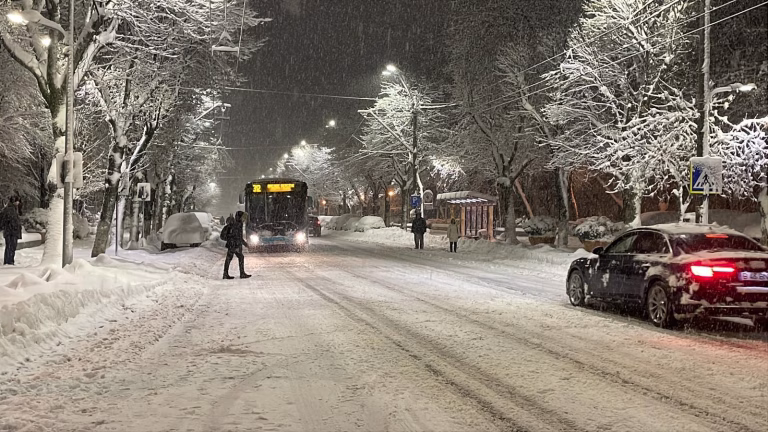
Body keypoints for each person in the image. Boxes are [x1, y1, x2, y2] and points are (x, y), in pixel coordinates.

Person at [221, 211, 251, 280]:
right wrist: (239, 245)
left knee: (229, 258)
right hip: (234, 245)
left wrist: (244, 244)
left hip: (232, 244)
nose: (244, 220)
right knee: (239, 257)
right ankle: (241, 273)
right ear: (240, 217)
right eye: (244, 218)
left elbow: (237, 236)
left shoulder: (236, 223)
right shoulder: (237, 224)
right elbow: (237, 237)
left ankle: (226, 274)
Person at [0, 196, 22, 266]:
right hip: (11, 231)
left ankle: (9, 261)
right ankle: (9, 261)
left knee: (10, 246)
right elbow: (9, 220)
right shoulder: (10, 209)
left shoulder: (12, 209)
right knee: (11, 246)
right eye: (17, 201)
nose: (18, 203)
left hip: (10, 231)